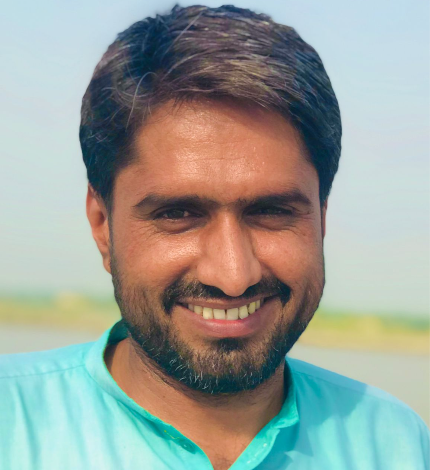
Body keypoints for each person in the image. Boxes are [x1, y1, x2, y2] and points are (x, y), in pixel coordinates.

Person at [0, 4, 429, 469]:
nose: (233, 275)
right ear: (102, 224)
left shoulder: (396, 445)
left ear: (321, 220)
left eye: (271, 212)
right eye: (178, 214)